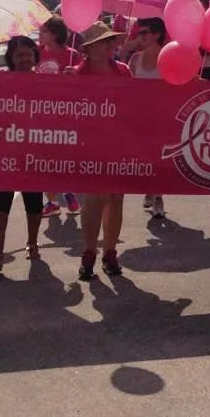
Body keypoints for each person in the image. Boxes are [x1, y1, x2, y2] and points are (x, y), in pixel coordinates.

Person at [74, 21, 131, 280]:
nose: (110, 46)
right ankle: (89, 251)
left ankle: (110, 251)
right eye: (104, 42)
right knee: (94, 198)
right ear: (89, 48)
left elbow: (135, 105)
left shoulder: (123, 71)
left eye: (111, 41)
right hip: (88, 144)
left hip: (117, 142)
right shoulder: (75, 75)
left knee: (116, 197)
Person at [0, 36, 45, 271]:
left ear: (35, 56)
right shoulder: (0, 81)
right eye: (19, 55)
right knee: (0, 200)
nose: (24, 58)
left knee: (34, 200)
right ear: (10, 58)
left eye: (28, 54)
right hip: (5, 150)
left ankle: (32, 244)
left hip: (35, 149)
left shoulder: (46, 83)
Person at [36, 16, 81, 218]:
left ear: (54, 34)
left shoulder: (72, 55)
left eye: (43, 31)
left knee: (63, 157)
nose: (39, 35)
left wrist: (75, 76)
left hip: (65, 116)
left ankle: (68, 190)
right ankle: (53, 201)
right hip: (41, 116)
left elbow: (85, 85)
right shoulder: (36, 54)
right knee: (44, 160)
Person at [128, 17, 167, 219]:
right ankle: (150, 189)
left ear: (156, 34)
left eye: (144, 33)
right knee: (146, 157)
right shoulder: (135, 59)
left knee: (159, 157)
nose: (139, 37)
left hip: (162, 117)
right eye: (138, 33)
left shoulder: (168, 57)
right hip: (141, 117)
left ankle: (158, 195)